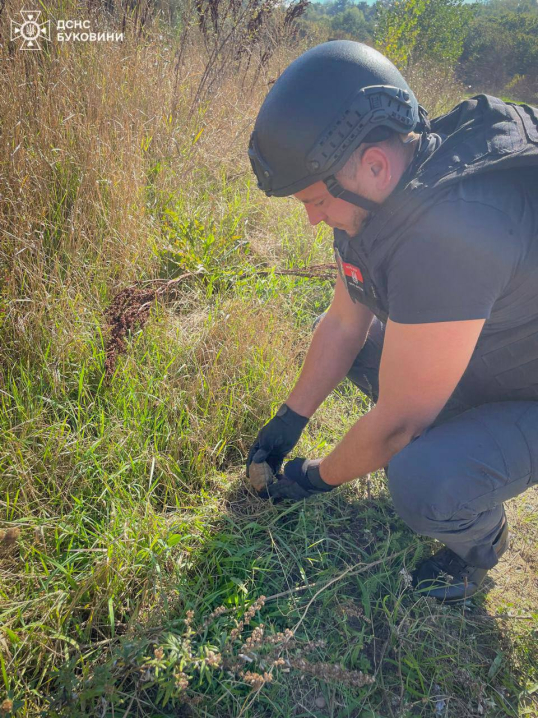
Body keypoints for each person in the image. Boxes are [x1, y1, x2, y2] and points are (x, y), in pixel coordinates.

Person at [245, 40, 538, 603]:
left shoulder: (450, 235)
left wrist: (312, 477)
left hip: (529, 390)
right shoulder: (370, 196)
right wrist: (289, 420)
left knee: (423, 479)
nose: (311, 219)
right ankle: (461, 438)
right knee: (364, 351)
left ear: (374, 165)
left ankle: (480, 546)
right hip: (491, 349)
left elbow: (397, 425)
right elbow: (342, 325)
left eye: (313, 201)